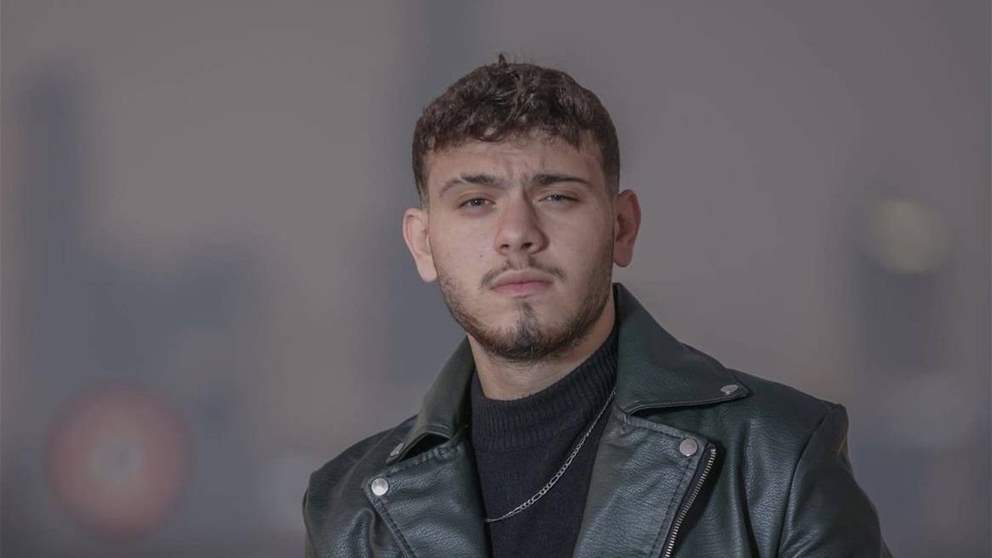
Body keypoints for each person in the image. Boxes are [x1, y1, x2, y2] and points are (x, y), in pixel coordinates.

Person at [303, 56, 890, 557]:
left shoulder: (779, 459)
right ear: (422, 244)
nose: (517, 234)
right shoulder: (348, 510)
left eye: (557, 196)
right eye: (476, 201)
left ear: (622, 227)